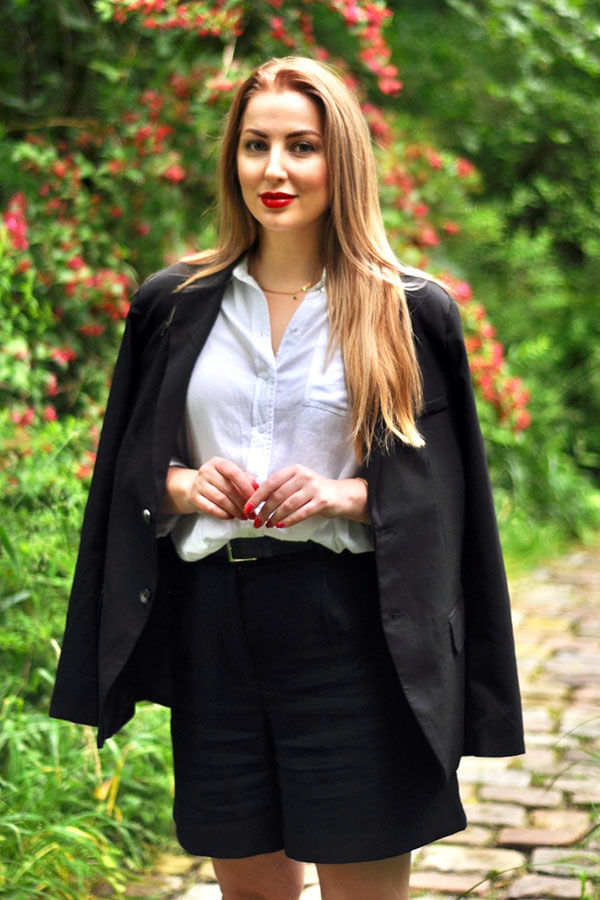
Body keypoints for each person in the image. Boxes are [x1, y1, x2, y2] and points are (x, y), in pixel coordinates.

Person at [49, 56, 525, 900]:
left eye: (302, 146)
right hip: (214, 630)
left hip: (354, 630)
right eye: (255, 145)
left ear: (342, 159)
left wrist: (345, 495)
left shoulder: (408, 309)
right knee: (250, 891)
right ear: (232, 158)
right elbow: (128, 467)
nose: (274, 169)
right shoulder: (173, 303)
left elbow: (450, 498)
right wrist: (181, 488)